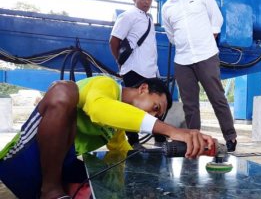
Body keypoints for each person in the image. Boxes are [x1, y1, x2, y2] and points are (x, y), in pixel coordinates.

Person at [0, 76, 215, 199]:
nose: (151, 116)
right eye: (154, 107)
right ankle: (51, 191)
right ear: (143, 88)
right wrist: (173, 131)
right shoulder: (107, 86)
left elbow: (120, 152)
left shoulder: (116, 128)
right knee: (63, 90)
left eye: (156, 116)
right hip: (22, 161)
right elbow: (99, 109)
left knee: (102, 181)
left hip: (56, 169)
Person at [161, 0, 237, 152]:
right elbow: (171, 35)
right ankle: (194, 141)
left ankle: (230, 137)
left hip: (206, 55)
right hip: (183, 61)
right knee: (190, 105)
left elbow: (216, 18)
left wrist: (208, 39)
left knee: (217, 97)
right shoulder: (167, 8)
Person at [109, 0, 165, 147]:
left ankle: (160, 140)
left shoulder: (148, 18)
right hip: (134, 70)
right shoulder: (128, 16)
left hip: (151, 71)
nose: (146, 1)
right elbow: (114, 41)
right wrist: (120, 64)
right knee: (132, 107)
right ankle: (134, 142)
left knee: (157, 105)